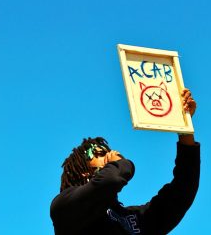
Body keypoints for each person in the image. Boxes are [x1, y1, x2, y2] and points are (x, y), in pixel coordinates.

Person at [50, 88, 200, 235]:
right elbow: (110, 180)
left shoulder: (133, 219)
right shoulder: (64, 207)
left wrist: (184, 128)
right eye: (100, 154)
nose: (111, 155)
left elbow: (183, 190)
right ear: (83, 172)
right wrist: (122, 164)